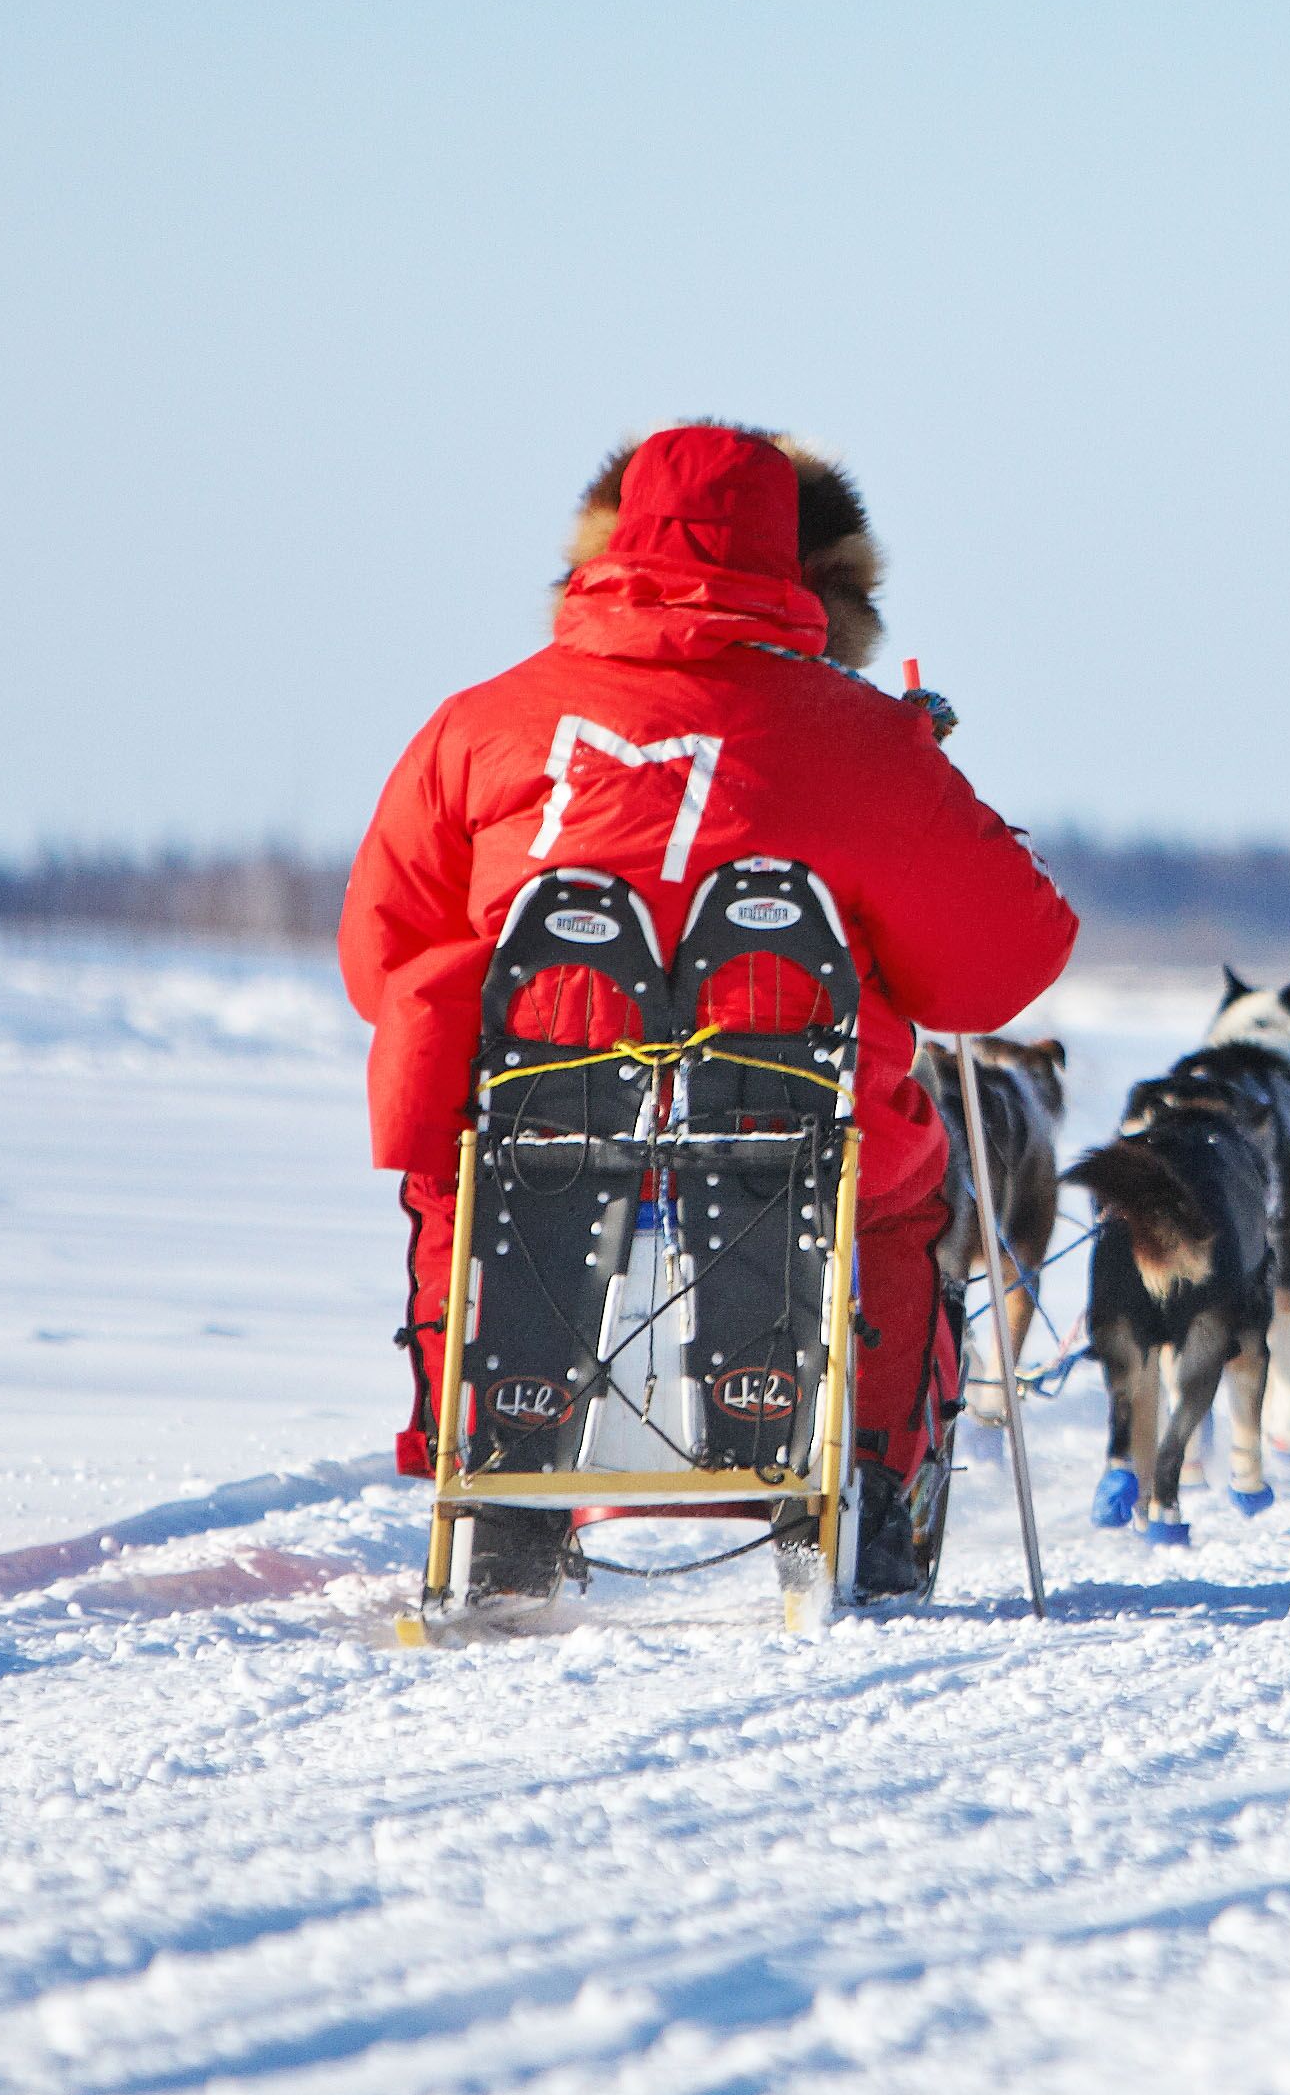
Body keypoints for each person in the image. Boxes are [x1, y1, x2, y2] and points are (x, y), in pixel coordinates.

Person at [339, 421, 1077, 1595]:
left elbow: (381, 954)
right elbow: (1007, 966)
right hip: (800, 1143)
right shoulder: (864, 742)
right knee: (899, 1201)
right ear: (807, 573)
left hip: (541, 1143)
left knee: (459, 1181)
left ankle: (497, 1489)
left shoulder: (478, 727)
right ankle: (870, 1498)